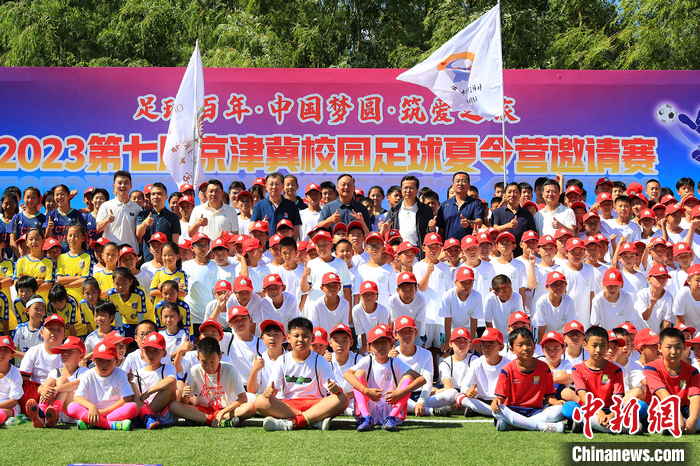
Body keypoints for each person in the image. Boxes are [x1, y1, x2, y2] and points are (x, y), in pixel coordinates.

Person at [254, 317, 348, 431]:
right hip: (289, 405)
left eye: (305, 335)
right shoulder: (282, 360)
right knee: (260, 400)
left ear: (312, 338)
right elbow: (273, 390)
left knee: (343, 398)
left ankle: (292, 423)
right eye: (296, 335)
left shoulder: (320, 360)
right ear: (288, 338)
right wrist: (269, 391)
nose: (301, 339)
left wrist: (336, 389)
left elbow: (333, 389)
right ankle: (313, 420)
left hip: (316, 404)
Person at [343, 325, 426, 431]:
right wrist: (366, 391)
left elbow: (421, 379)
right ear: (369, 348)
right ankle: (365, 417)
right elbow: (347, 374)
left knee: (408, 376)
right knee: (359, 373)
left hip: (390, 405)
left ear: (391, 344)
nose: (380, 345)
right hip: (370, 406)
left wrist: (399, 393)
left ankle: (392, 417)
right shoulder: (367, 360)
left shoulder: (395, 361)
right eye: (376, 342)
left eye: (384, 341)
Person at [491, 327, 567, 432]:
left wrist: (556, 403)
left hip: (536, 411)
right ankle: (540, 426)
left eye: (528, 344)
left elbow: (549, 396)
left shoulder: (544, 368)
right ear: (512, 350)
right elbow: (501, 397)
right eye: (520, 345)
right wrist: (496, 401)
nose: (526, 348)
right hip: (512, 410)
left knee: (560, 410)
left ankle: (515, 425)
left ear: (534, 345)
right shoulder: (507, 369)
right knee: (497, 410)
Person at [170, 336, 256, 427]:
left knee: (251, 408)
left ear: (220, 357)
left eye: (212, 362)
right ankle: (215, 420)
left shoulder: (230, 369)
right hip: (203, 410)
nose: (209, 366)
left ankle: (202, 420)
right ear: (198, 358)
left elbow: (243, 398)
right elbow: (185, 402)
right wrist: (185, 396)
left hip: (226, 410)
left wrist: (222, 412)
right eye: (204, 362)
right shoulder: (194, 370)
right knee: (173, 406)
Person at [562, 327, 627, 434]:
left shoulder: (616, 370)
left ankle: (587, 423)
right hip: (589, 409)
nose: (598, 350)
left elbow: (618, 398)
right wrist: (598, 412)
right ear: (585, 345)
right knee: (567, 408)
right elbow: (583, 395)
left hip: (610, 410)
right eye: (594, 345)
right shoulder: (577, 369)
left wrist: (611, 415)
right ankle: (616, 427)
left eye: (602, 346)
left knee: (640, 407)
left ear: (607, 346)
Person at [65, 341, 137, 430]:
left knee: (132, 407)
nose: (104, 364)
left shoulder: (120, 373)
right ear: (94, 361)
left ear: (116, 361)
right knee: (72, 407)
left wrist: (104, 411)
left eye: (109, 360)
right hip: (92, 411)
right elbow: (77, 397)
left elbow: (127, 398)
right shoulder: (88, 374)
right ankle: (112, 425)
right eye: (100, 360)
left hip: (113, 412)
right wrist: (91, 406)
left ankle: (93, 423)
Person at [130, 332, 178, 429]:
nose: (151, 354)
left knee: (170, 387)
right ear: (143, 352)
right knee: (131, 385)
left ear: (164, 353)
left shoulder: (168, 368)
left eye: (156, 351)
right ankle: (146, 416)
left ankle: (146, 415)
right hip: (143, 407)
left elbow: (171, 380)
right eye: (147, 350)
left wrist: (149, 391)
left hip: (163, 414)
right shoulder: (138, 372)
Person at [383, 175, 434, 253]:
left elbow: (429, 234)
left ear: (417, 190)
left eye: (411, 188)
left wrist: (431, 228)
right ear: (401, 190)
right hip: (399, 251)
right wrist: (383, 229)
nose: (408, 191)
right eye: (405, 188)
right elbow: (388, 234)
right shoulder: (394, 210)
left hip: (418, 251)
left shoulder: (426, 210)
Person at [135, 183, 181, 263]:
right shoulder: (143, 215)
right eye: (153, 194)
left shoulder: (173, 217)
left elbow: (174, 243)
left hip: (166, 262)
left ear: (166, 197)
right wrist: (145, 223)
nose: (156, 197)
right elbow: (139, 234)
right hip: (147, 260)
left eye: (159, 194)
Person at [96, 171, 141, 250]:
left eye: (126, 183)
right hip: (111, 252)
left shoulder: (137, 208)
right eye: (120, 183)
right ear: (114, 186)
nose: (123, 186)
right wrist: (107, 220)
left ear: (130, 186)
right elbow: (98, 228)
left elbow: (139, 234)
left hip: (130, 252)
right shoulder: (106, 205)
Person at [249, 173, 302, 237]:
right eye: (271, 184)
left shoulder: (291, 205)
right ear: (266, 187)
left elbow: (296, 230)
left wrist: (291, 243)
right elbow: (250, 228)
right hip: (266, 243)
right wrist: (260, 224)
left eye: (277, 184)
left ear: (283, 186)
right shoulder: (259, 205)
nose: (274, 187)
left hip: (285, 243)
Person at [492, 182, 537, 257]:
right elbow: (494, 229)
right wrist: (508, 226)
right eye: (509, 192)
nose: (512, 195)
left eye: (515, 192)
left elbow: (532, 234)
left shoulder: (527, 214)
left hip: (522, 255)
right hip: (501, 255)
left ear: (520, 195)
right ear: (505, 195)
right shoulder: (497, 212)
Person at [435, 172, 483, 241]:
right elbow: (441, 230)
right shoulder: (445, 205)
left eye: (464, 181)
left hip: (469, 245)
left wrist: (469, 223)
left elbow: (479, 222)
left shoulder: (476, 203)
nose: (460, 184)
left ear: (469, 185)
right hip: (449, 245)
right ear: (453, 185)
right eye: (457, 181)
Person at [0, 336, 22, 425]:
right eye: (0, 349)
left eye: (6, 350)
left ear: (12, 356)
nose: (1, 352)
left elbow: (13, 401)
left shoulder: (15, 373)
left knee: (1, 413)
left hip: (9, 408)